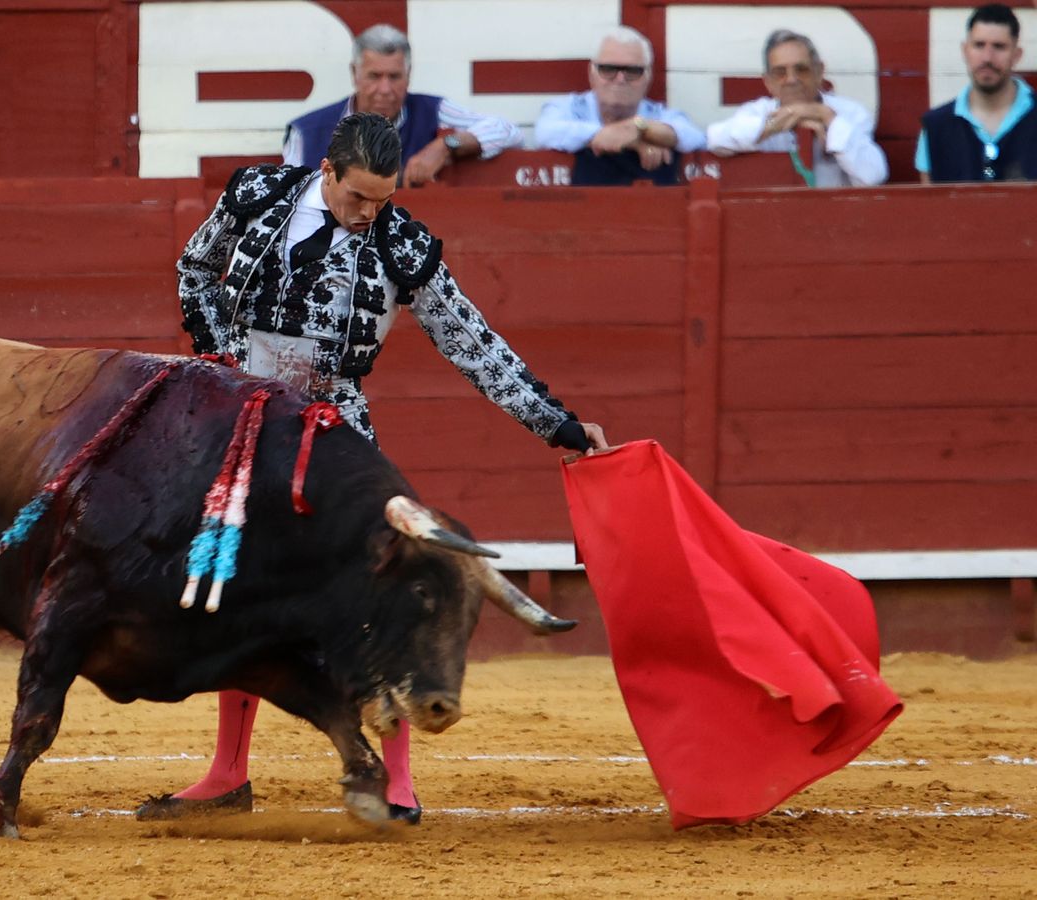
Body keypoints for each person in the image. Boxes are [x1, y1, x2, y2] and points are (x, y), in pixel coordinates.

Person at [146, 112, 610, 825]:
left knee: (375, 596)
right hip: (241, 422)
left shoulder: (403, 244)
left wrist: (558, 425)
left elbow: (473, 344)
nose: (370, 215)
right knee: (237, 592)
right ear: (326, 172)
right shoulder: (256, 195)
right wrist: (221, 361)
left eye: (383, 200)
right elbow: (195, 269)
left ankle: (398, 779)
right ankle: (227, 773)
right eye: (359, 197)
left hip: (335, 433)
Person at [283, 24, 522, 187]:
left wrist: (445, 145)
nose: (385, 89)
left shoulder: (430, 109)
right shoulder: (307, 131)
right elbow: (288, 203)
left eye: (394, 77)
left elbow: (507, 130)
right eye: (374, 76)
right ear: (354, 74)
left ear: (409, 75)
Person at [706, 29, 888, 187]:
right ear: (768, 82)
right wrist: (775, 123)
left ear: (819, 72)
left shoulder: (850, 113)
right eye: (780, 72)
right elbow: (716, 138)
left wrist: (828, 117)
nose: (791, 79)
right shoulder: (759, 113)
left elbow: (872, 176)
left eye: (801, 69)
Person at [534, 27, 707, 186]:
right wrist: (630, 141)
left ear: (648, 77)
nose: (620, 79)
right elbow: (545, 132)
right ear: (591, 73)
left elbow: (696, 138)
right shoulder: (568, 108)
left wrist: (640, 128)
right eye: (608, 69)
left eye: (632, 71)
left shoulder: (660, 114)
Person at [917, 4, 1035, 183]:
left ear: (1016, 55)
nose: (987, 57)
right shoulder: (935, 127)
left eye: (999, 46)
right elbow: (930, 207)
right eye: (979, 45)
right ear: (965, 50)